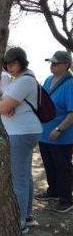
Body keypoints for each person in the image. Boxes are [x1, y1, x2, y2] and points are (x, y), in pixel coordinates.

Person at [0, 47, 42, 234]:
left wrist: (3, 104)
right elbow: (4, 103)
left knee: (19, 180)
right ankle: (28, 216)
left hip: (21, 134)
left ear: (22, 62)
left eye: (13, 62)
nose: (9, 66)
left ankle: (20, 222)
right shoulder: (21, 80)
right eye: (7, 63)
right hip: (24, 132)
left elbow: (2, 107)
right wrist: (4, 103)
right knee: (26, 176)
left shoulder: (24, 81)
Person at [35, 50, 73, 213]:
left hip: (62, 136)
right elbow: (42, 102)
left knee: (63, 167)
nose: (52, 65)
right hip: (44, 134)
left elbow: (72, 113)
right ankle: (53, 191)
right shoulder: (49, 79)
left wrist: (59, 129)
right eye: (51, 62)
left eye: (56, 63)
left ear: (66, 65)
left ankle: (66, 199)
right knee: (49, 164)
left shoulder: (70, 84)